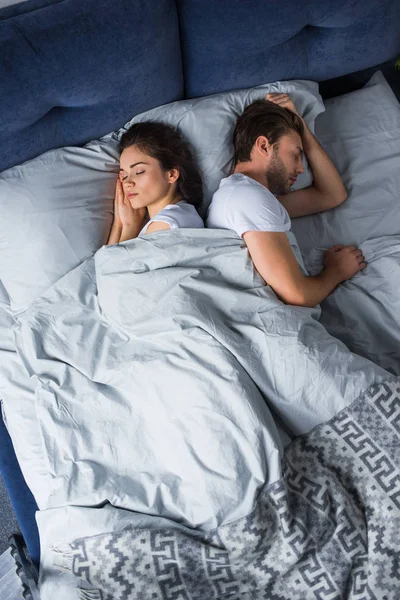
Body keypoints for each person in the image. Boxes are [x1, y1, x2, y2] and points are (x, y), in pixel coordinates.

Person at [206, 94, 367, 308]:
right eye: (295, 155)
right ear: (264, 146)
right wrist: (336, 271)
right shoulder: (247, 198)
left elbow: (332, 195)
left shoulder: (247, 196)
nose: (301, 168)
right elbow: (298, 295)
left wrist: (302, 128)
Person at [107, 121, 204, 245]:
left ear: (172, 174)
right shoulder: (183, 214)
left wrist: (129, 227)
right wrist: (119, 223)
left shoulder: (166, 224)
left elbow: (113, 264)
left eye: (139, 171)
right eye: (124, 176)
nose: (127, 183)